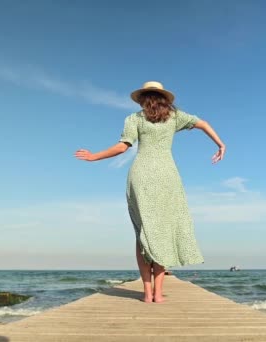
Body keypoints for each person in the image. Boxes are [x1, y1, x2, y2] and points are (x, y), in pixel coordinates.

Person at [75, 81, 225, 303]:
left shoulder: (134, 119)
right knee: (161, 232)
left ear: (143, 98)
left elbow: (122, 147)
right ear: (165, 99)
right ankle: (157, 294)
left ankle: (146, 292)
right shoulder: (175, 117)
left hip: (141, 175)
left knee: (142, 233)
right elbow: (203, 123)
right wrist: (220, 144)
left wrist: (94, 156)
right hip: (167, 175)